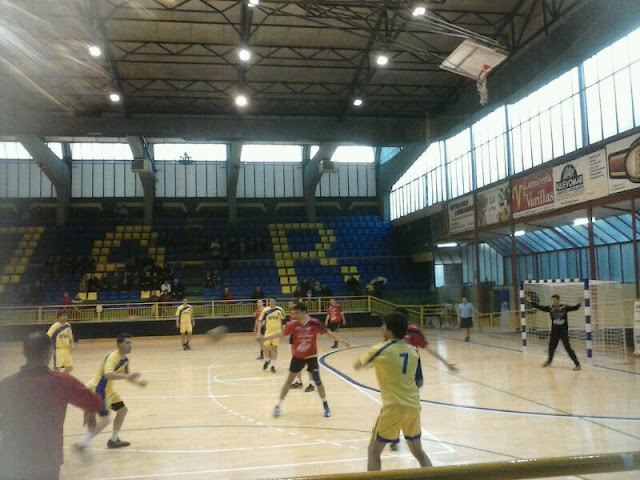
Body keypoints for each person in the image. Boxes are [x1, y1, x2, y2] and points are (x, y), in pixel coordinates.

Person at [0, 331, 101, 480]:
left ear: (24, 352)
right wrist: (89, 410)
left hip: (12, 458)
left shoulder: (7, 385)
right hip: (47, 459)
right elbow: (95, 402)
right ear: (49, 352)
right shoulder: (62, 382)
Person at [353, 311, 432, 471]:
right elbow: (419, 381)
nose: (381, 328)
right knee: (418, 452)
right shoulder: (413, 351)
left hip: (393, 408)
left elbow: (358, 365)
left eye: (383, 325)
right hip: (414, 406)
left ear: (388, 330)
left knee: (374, 452)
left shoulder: (381, 349)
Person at [258, 302, 350, 418]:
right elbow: (282, 333)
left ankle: (326, 405)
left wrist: (341, 340)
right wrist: (265, 338)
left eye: (296, 313)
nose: (294, 315)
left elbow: (328, 333)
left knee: (318, 382)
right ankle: (278, 405)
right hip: (298, 357)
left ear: (303, 312)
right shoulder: (293, 324)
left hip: (311, 356)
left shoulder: (314, 323)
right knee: (288, 381)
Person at [388, 307, 458, 451]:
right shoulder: (400, 331)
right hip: (403, 368)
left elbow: (427, 347)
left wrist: (445, 363)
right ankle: (398, 433)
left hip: (409, 367)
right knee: (403, 403)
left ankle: (400, 432)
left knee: (408, 397)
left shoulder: (408, 331)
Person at [74, 333, 148, 450]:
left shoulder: (124, 360)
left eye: (131, 343)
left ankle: (113, 440)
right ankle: (82, 443)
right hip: (99, 390)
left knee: (122, 410)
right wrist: (128, 376)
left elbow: (126, 375)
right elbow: (108, 374)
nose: (130, 346)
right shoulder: (113, 357)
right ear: (119, 344)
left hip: (108, 391)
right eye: (127, 343)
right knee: (105, 420)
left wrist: (138, 383)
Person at [525, 293, 582, 370]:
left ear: (558, 301)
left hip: (563, 332)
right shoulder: (550, 308)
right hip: (554, 332)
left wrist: (580, 303)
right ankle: (549, 361)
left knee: (568, 348)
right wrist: (530, 301)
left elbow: (575, 308)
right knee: (551, 347)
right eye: (552, 300)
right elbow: (539, 307)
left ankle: (577, 364)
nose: (553, 302)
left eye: (554, 300)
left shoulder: (564, 307)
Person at [258, 298, 286, 373]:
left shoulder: (280, 310)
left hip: (277, 333)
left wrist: (283, 332)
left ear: (275, 302)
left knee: (274, 348)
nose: (272, 302)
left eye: (273, 301)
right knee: (266, 348)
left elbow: (284, 321)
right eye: (270, 301)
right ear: (268, 302)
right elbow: (260, 321)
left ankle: (273, 366)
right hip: (268, 332)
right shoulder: (265, 310)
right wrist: (258, 332)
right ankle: (267, 360)